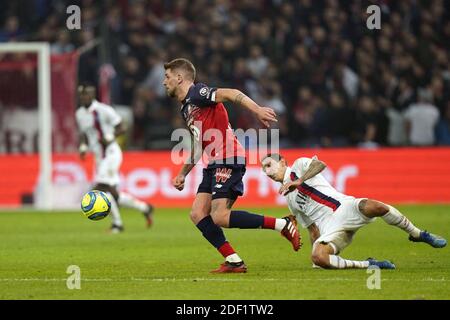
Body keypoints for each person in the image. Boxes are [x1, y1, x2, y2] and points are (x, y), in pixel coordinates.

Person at [163, 58, 300, 273]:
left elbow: (230, 93)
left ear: (179, 78)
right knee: (198, 213)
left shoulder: (197, 93)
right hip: (214, 161)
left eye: (167, 77)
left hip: (228, 157)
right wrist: (183, 173)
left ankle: (283, 225)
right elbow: (199, 144)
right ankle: (234, 260)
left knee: (219, 216)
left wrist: (256, 110)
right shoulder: (186, 107)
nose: (164, 82)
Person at [261, 153, 447, 269]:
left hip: (345, 206)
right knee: (319, 257)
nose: (266, 172)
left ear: (283, 162)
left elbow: (320, 165)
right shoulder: (290, 200)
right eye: (263, 169)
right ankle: (369, 264)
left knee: (377, 207)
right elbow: (312, 230)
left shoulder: (300, 165)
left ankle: (418, 234)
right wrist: (315, 259)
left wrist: (299, 181)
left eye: (269, 165)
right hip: (331, 227)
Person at [75, 84, 154, 233]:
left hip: (111, 153)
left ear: (92, 95)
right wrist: (83, 147)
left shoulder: (103, 110)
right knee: (109, 193)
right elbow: (84, 134)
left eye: (87, 94)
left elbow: (121, 126)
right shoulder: (79, 114)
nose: (84, 97)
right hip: (99, 156)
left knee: (99, 189)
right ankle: (143, 208)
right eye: (82, 95)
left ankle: (118, 224)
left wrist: (110, 137)